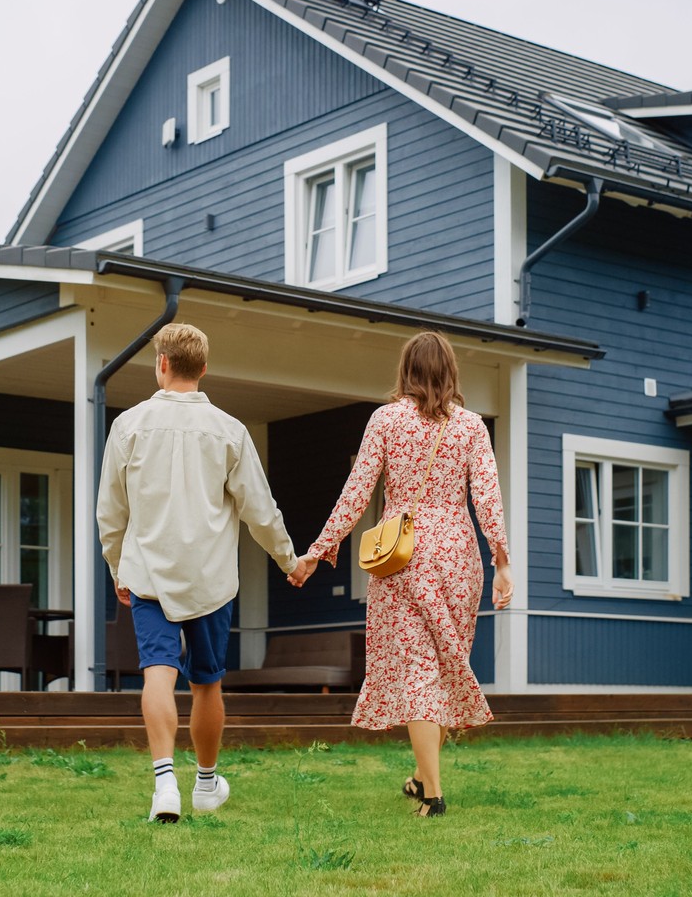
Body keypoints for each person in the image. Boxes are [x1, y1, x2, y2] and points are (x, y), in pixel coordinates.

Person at [288, 330, 512, 818]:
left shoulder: (386, 420)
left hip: (402, 553)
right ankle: (421, 778)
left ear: (406, 370)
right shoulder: (472, 427)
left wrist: (317, 551)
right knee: (445, 668)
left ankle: (433, 796)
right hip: (458, 553)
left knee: (418, 672)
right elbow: (488, 498)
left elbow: (356, 492)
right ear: (451, 371)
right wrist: (502, 561)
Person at [97, 322, 302, 822]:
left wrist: (116, 565)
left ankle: (164, 784)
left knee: (158, 675)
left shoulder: (129, 426)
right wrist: (289, 561)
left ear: (162, 363)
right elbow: (260, 510)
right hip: (211, 581)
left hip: (148, 575)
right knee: (207, 684)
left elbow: (111, 511)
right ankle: (206, 785)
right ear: (204, 368)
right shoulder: (230, 431)